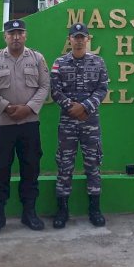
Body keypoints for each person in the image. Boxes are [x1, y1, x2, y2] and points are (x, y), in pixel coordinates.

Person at [0, 19, 50, 236]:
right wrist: (7, 107)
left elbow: (45, 86)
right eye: (12, 33)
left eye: (20, 32)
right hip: (5, 124)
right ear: (5, 37)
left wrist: (28, 108)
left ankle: (29, 212)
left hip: (30, 123)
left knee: (31, 167)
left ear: (26, 35)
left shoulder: (37, 59)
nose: (16, 37)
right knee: (1, 169)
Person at [50, 23, 109, 228]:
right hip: (67, 122)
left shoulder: (98, 62)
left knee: (93, 166)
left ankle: (95, 209)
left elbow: (102, 89)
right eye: (75, 37)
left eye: (82, 37)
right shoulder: (59, 63)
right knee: (64, 165)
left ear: (88, 39)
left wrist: (84, 107)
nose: (79, 40)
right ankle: (62, 210)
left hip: (90, 122)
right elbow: (55, 91)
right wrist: (71, 108)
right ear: (70, 39)